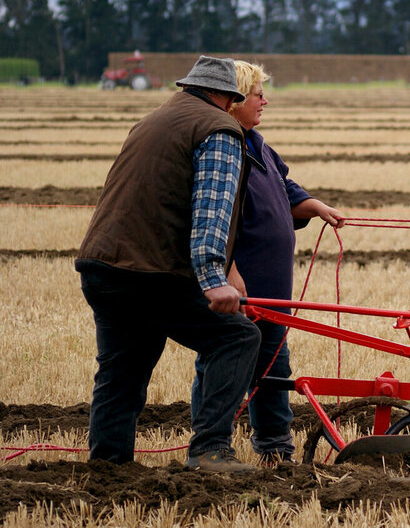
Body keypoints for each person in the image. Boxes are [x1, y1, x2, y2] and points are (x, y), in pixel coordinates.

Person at [76, 55, 261, 473]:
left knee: (122, 369)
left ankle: (108, 467)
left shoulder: (152, 120)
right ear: (225, 96)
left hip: (103, 265)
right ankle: (210, 450)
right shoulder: (219, 128)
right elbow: (210, 210)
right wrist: (215, 279)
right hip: (150, 271)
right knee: (237, 338)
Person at [192, 60, 345, 465]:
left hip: (275, 289)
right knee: (222, 362)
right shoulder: (224, 149)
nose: (265, 100)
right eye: (258, 94)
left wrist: (316, 206)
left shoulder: (258, 144)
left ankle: (275, 448)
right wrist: (229, 272)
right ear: (233, 102)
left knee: (274, 365)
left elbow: (286, 187)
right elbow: (213, 219)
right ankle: (210, 445)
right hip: (239, 286)